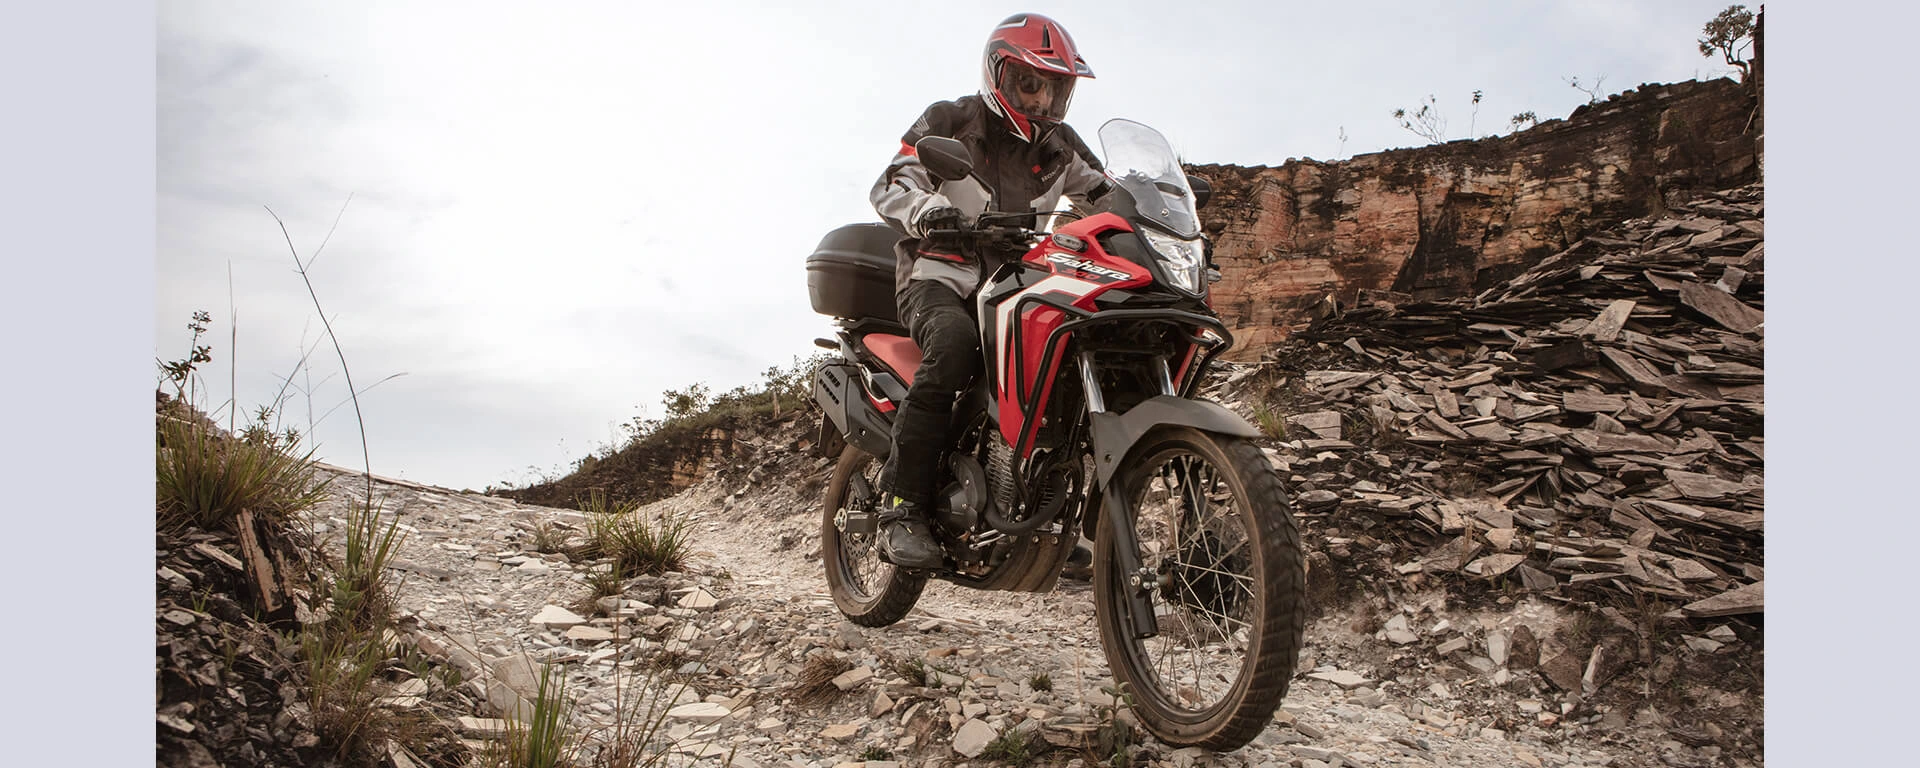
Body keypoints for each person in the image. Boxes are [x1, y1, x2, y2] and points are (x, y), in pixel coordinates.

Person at [867, 12, 1110, 568]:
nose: (1043, 102)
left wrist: (1160, 218)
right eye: (1030, 84)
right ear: (998, 75)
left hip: (1017, 286)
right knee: (953, 349)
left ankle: (1076, 523)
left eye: (1055, 89)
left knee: (1075, 365)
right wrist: (930, 211)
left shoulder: (1060, 146)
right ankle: (901, 506)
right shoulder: (952, 119)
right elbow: (891, 182)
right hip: (938, 277)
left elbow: (1106, 195)